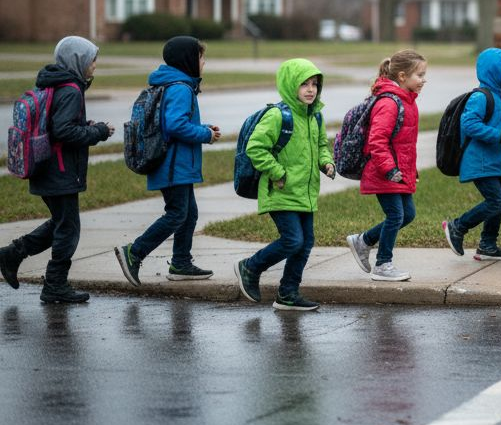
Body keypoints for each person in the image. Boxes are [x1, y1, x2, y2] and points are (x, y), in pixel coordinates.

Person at [0, 37, 114, 303]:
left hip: (46, 166)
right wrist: (97, 131)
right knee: (69, 228)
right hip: (59, 170)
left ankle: (12, 254)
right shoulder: (71, 89)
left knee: (61, 223)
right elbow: (63, 130)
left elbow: (56, 124)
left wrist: (84, 125)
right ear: (78, 61)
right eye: (92, 60)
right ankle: (55, 285)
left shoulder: (54, 83)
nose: (95, 65)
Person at [114, 36, 222, 286]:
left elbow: (172, 123)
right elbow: (175, 126)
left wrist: (203, 127)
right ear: (188, 60)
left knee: (189, 214)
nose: (204, 62)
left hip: (177, 164)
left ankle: (181, 263)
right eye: (201, 57)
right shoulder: (181, 88)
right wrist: (205, 134)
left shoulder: (174, 85)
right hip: (174, 165)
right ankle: (134, 252)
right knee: (176, 214)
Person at [234, 59, 335, 312]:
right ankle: (250, 266)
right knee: (292, 241)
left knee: (306, 242)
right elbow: (255, 148)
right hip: (280, 189)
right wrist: (277, 172)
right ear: (290, 85)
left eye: (314, 84)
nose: (311, 89)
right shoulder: (278, 115)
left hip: (306, 193)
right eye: (304, 84)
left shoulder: (315, 116)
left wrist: (326, 163)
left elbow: (321, 146)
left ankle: (288, 293)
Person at [345, 49, 425, 281]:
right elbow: (377, 142)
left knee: (407, 214)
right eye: (419, 75)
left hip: (398, 172)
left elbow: (404, 144)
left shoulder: (407, 101)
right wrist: (390, 170)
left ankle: (364, 240)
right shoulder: (389, 103)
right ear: (402, 76)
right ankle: (383, 264)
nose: (423, 80)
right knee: (395, 216)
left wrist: (411, 170)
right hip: (384, 172)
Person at [443, 48, 501, 262]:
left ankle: (487, 245)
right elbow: (469, 125)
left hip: (493, 160)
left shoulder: (499, 98)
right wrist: (500, 136)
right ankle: (457, 226)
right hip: (479, 160)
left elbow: (498, 124)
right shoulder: (481, 97)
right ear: (493, 72)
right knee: (496, 201)